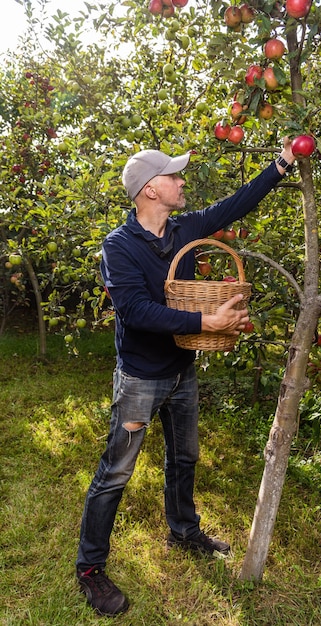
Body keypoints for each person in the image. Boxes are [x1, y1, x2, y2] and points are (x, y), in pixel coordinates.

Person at [76, 139, 296, 617]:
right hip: (140, 378)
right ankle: (90, 569)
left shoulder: (185, 230)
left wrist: (281, 164)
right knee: (115, 474)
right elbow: (134, 312)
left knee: (185, 458)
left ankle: (183, 530)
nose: (181, 182)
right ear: (151, 189)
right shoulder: (118, 247)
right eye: (173, 177)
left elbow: (235, 204)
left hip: (181, 371)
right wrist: (205, 325)